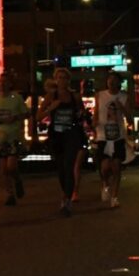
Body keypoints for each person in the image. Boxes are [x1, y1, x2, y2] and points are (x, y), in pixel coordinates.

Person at [40, 68, 87, 217]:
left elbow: (82, 114)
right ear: (55, 80)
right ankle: (65, 194)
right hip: (56, 135)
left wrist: (81, 115)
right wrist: (50, 109)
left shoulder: (75, 97)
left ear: (68, 80)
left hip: (71, 134)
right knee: (61, 168)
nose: (62, 80)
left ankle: (67, 200)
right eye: (59, 78)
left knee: (69, 165)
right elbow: (37, 116)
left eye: (65, 78)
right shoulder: (50, 96)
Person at [0, 72, 30, 206]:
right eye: (0, 81)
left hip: (14, 136)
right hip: (1, 136)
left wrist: (15, 118)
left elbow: (26, 113)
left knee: (11, 166)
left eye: (5, 82)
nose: (2, 84)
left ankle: (17, 180)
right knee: (3, 169)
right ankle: (9, 194)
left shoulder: (16, 98)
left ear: (10, 84)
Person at [94, 71, 130, 208]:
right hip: (103, 135)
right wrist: (94, 126)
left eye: (115, 80)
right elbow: (96, 113)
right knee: (104, 168)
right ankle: (105, 184)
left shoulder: (123, 96)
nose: (112, 82)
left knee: (116, 167)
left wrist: (121, 107)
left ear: (119, 83)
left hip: (118, 136)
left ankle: (114, 197)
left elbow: (130, 118)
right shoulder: (100, 95)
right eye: (110, 79)